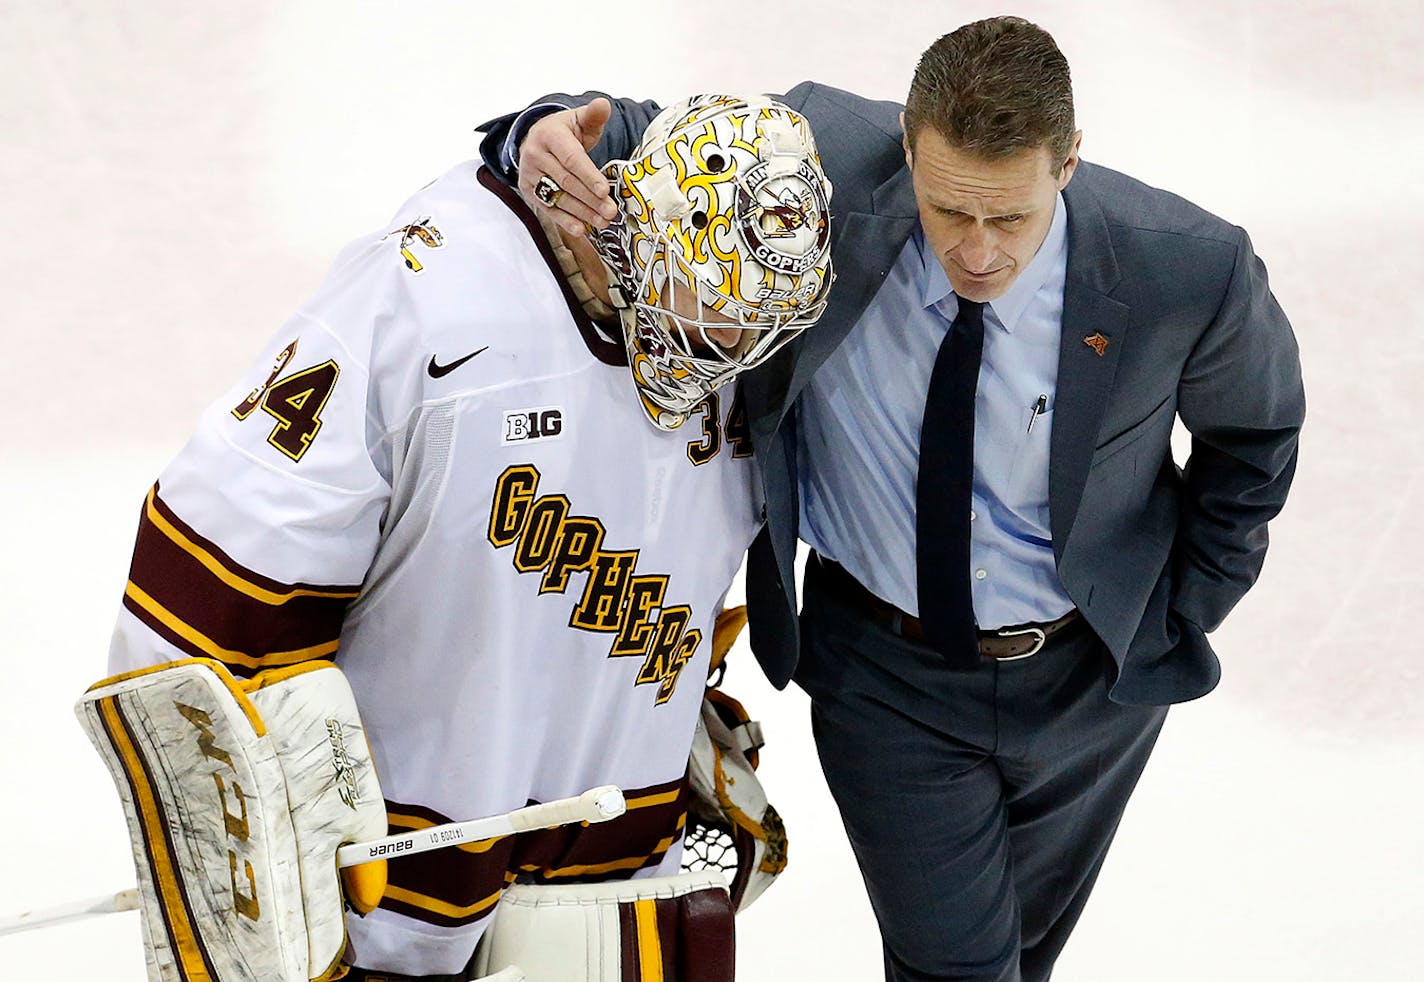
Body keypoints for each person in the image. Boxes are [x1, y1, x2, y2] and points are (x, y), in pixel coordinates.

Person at [478, 15, 1306, 982]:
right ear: (905, 146)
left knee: (1018, 959)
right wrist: (539, 128)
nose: (980, 252)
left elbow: (1254, 441)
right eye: (950, 211)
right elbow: (631, 138)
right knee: (955, 967)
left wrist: (1177, 610)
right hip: (883, 676)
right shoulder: (817, 160)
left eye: (1011, 219)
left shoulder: (1186, 269)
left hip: (1092, 688)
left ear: (1069, 163)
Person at [99, 93, 835, 981]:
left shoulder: (736, 354)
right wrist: (238, 899)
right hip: (377, 928)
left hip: (614, 910)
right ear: (635, 219)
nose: (734, 342)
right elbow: (196, 612)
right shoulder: (430, 304)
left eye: (764, 321)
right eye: (715, 304)